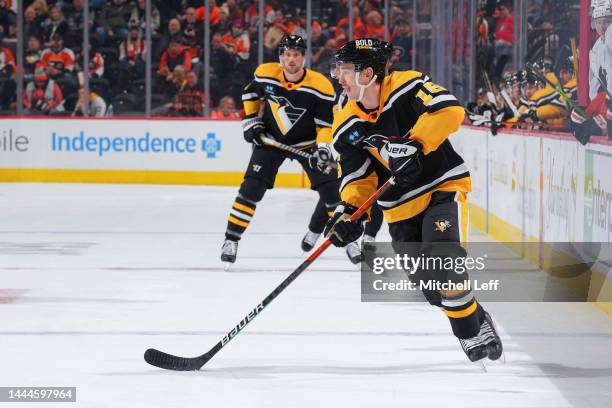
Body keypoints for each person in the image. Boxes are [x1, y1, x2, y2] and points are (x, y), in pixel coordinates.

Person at [325, 38, 503, 363]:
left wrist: (417, 143)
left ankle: (468, 332)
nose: (339, 77)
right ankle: (477, 318)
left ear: (368, 73)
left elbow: (450, 109)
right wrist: (348, 213)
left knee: (446, 262)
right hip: (399, 210)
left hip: (440, 187)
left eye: (346, 70)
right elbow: (358, 177)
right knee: (433, 289)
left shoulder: (407, 86)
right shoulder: (346, 123)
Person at [220, 35, 357, 266]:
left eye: (296, 54)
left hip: (310, 144)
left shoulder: (320, 85)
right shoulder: (266, 73)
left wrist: (323, 148)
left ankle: (351, 241)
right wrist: (252, 121)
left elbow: (324, 125)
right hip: (271, 142)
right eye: (287, 54)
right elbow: (250, 94)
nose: (291, 59)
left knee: (336, 192)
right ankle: (230, 240)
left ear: (303, 57)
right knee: (250, 188)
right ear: (281, 57)